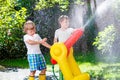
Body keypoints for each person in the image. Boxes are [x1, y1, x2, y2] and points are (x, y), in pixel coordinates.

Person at [53, 15, 76, 80]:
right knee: (62, 64)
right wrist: (55, 48)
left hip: (69, 49)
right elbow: (55, 40)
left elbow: (75, 31)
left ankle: (68, 77)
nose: (67, 23)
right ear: (61, 22)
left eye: (68, 22)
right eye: (65, 22)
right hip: (61, 50)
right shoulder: (57, 31)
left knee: (69, 63)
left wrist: (79, 30)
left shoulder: (70, 29)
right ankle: (61, 78)